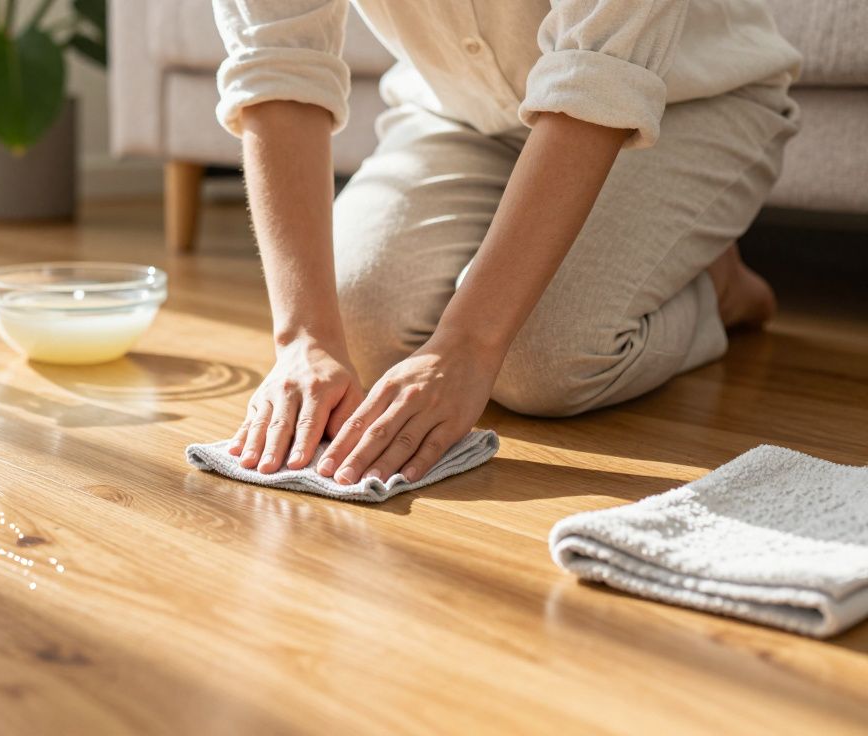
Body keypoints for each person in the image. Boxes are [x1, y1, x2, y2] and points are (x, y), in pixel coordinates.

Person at [213, 0, 802, 486]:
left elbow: (599, 74)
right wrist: (304, 335)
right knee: (359, 323)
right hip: (464, 113)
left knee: (536, 363)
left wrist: (467, 345)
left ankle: (718, 287)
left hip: (686, 100)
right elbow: (277, 59)